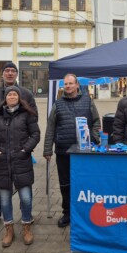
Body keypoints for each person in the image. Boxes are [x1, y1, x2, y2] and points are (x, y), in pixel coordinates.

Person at [0, 62, 37, 230]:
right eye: (7, 71)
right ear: (2, 74)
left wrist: (26, 145)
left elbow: (33, 117)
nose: (10, 73)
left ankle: (26, 214)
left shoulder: (26, 93)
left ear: (17, 74)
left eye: (13, 71)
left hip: (19, 148)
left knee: (24, 184)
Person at [0, 86, 40, 247]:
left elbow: (35, 134)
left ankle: (26, 226)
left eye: (15, 94)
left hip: (21, 161)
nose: (12, 96)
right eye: (9, 94)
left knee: (26, 198)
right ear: (5, 98)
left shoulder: (26, 114)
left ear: (19, 97)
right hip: (2, 163)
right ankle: (9, 229)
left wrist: (25, 149)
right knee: (5, 200)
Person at [43, 73, 101, 228]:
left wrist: (94, 139)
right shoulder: (58, 104)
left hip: (84, 152)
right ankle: (67, 213)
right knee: (65, 184)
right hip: (63, 151)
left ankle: (84, 213)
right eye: (65, 84)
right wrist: (47, 149)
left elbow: (96, 121)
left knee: (84, 183)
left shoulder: (88, 101)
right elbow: (50, 128)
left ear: (77, 85)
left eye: (70, 83)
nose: (68, 86)